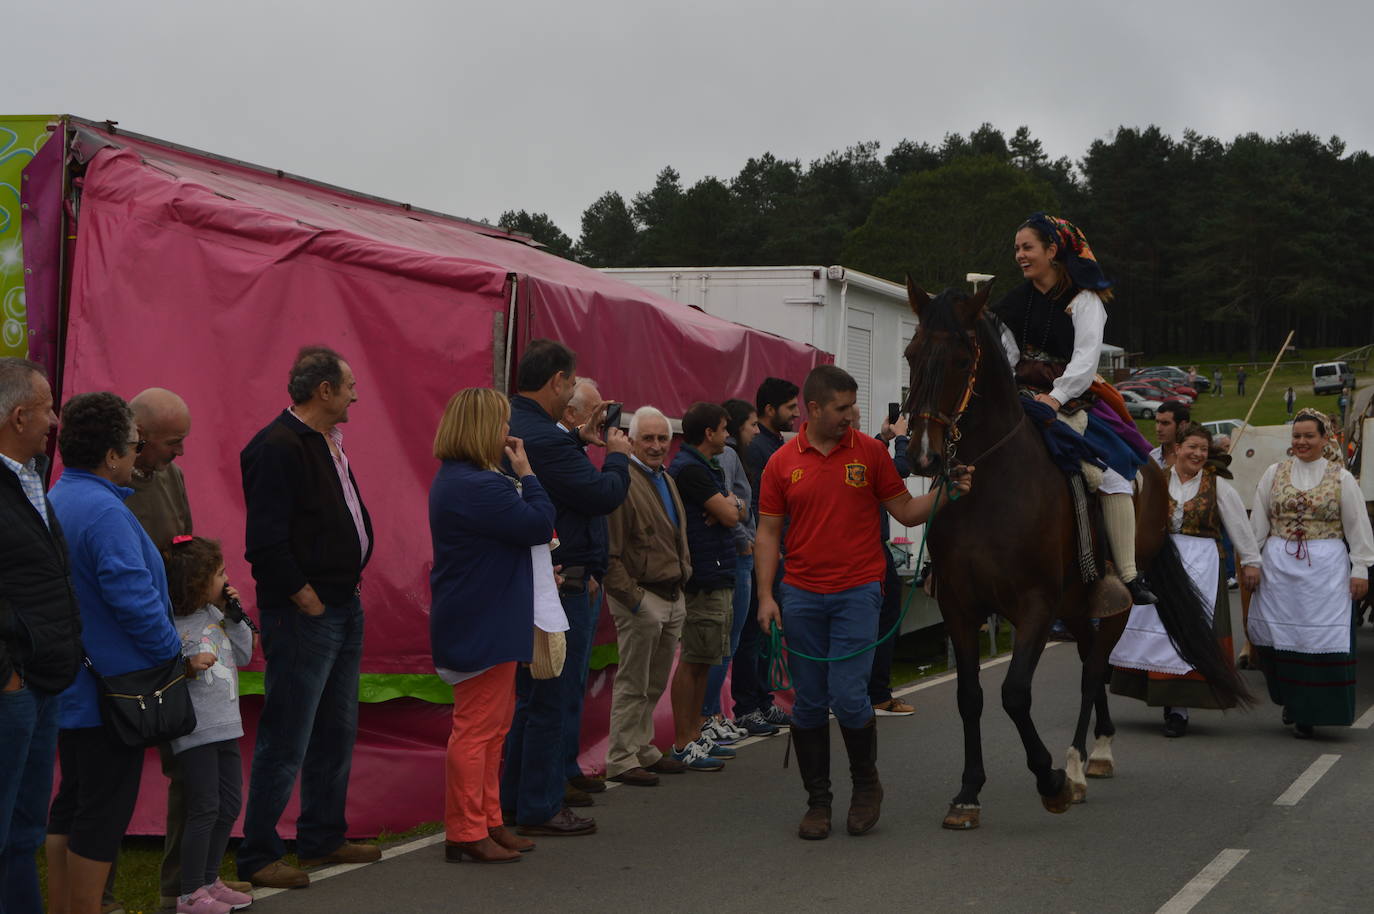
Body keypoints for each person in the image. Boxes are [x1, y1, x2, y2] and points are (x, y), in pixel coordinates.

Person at [756, 365, 972, 840]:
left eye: (853, 406)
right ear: (814, 409)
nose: (851, 415)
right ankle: (818, 802)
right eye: (842, 408)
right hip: (801, 595)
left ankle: (865, 787)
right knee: (808, 704)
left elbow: (907, 512)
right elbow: (768, 533)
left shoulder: (871, 453)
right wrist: (766, 596)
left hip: (858, 592)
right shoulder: (780, 463)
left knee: (849, 696)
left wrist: (946, 493)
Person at [237, 346, 377, 889]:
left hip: (342, 603)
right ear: (324, 391)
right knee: (287, 735)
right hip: (306, 614)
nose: (355, 396)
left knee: (336, 730)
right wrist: (305, 597)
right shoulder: (277, 447)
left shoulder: (327, 441)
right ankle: (258, 854)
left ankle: (321, 835)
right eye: (349, 386)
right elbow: (265, 542)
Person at [45, 392, 183, 914]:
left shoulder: (59, 495)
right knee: (101, 812)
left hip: (76, 686)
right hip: (115, 690)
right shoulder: (105, 511)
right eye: (133, 446)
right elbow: (133, 599)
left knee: (73, 801)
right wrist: (171, 651)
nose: (135, 456)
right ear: (111, 455)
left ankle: (64, 906)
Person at [992, 213, 1155, 606]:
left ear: (1052, 250)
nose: (1020, 255)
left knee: (1113, 474)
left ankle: (1127, 573)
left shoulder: (1084, 301)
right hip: (1020, 397)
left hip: (1068, 398)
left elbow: (1084, 362)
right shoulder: (1012, 304)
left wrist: (1056, 397)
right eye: (1017, 248)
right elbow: (1008, 356)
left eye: (1027, 247)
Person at [502, 339, 628, 837]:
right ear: (557, 381)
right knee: (549, 699)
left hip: (536, 579)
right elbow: (602, 494)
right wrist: (616, 455)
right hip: (558, 583)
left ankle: (516, 802)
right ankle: (540, 804)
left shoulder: (520, 425)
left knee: (533, 700)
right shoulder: (545, 439)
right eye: (572, 384)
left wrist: (579, 438)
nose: (573, 392)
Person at [428, 388, 556, 863]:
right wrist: (528, 473)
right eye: (501, 422)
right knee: (479, 728)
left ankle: (487, 821)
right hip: (484, 620)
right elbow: (540, 525)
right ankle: (466, 830)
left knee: (493, 727)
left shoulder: (465, 480)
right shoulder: (479, 485)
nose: (507, 432)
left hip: (486, 616)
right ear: (482, 428)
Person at [1109, 424, 1261, 737]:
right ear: (1177, 448)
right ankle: (1166, 700)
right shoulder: (1155, 481)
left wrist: (1250, 561)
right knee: (1160, 632)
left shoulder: (1217, 485)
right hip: (1161, 563)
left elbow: (1238, 525)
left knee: (1190, 632)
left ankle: (1180, 708)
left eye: (1203, 449)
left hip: (1202, 564)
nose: (1198, 454)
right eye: (1192, 447)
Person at [0, 359, 80, 914]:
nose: (55, 421)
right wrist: (7, 676)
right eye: (48, 409)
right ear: (18, 416)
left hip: (42, 680)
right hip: (14, 685)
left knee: (25, 829)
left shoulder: (30, 476)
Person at [1248, 409, 1374, 737]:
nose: (1302, 442)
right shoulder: (1274, 473)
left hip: (1325, 570)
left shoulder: (1341, 478)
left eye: (1309, 436)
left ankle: (1310, 711)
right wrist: (1252, 561)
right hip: (1278, 567)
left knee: (1318, 637)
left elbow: (1358, 526)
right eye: (1297, 436)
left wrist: (1360, 568)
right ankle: (1292, 699)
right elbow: (1258, 521)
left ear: (1324, 438)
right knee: (1278, 635)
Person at [164, 537, 255, 912]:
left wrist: (234, 615)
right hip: (195, 730)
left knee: (229, 803)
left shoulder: (216, 615)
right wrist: (187, 666)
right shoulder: (170, 625)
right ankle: (189, 894)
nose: (226, 578)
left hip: (226, 725)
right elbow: (161, 672)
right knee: (204, 807)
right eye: (219, 573)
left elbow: (245, 655)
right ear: (196, 583)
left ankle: (209, 879)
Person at [603, 406, 692, 786]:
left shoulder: (664, 478)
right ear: (632, 440)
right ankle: (621, 758)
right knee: (633, 682)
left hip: (670, 594)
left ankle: (641, 747)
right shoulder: (622, 481)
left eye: (663, 438)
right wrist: (634, 599)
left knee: (654, 682)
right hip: (642, 597)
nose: (656, 446)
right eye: (648, 439)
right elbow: (609, 552)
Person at [668, 402, 746, 771]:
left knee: (706, 659)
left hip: (717, 571)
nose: (728, 436)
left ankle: (696, 732)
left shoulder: (706, 467)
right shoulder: (691, 469)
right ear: (708, 433)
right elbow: (731, 515)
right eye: (724, 429)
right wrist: (730, 507)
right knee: (694, 660)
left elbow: (735, 508)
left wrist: (732, 505)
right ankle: (683, 740)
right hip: (703, 577)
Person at [553, 375, 611, 806]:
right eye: (595, 411)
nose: (602, 420)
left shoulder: (576, 451)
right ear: (571, 413)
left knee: (574, 683)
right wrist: (587, 569)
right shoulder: (561, 453)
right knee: (562, 684)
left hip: (587, 578)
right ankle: (557, 774)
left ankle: (568, 767)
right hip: (572, 580)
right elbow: (593, 504)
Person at [733, 376, 801, 736]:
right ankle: (747, 707)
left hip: (780, 553)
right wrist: (772, 550)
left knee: (767, 633)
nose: (797, 414)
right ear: (769, 410)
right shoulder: (759, 450)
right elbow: (761, 509)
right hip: (765, 555)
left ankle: (763, 700)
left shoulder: (777, 446)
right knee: (753, 633)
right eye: (790, 407)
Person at [700, 398, 761, 744]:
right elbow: (730, 504)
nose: (756, 431)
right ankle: (708, 715)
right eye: (751, 424)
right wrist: (744, 540)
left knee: (728, 641)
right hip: (735, 555)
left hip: (736, 553)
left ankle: (712, 714)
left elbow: (736, 503)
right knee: (726, 641)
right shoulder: (727, 455)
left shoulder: (729, 455)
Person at [869, 412, 915, 716]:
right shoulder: (854, 456)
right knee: (883, 621)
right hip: (870, 551)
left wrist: (883, 438)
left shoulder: (857, 452)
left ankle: (871, 692)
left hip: (870, 549)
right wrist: (900, 439)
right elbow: (897, 470)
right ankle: (878, 695)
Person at [1149, 401, 1191, 469]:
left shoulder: (1194, 457)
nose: (1158, 429)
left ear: (1182, 425)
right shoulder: (1152, 457)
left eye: (1165, 423)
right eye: (1157, 422)